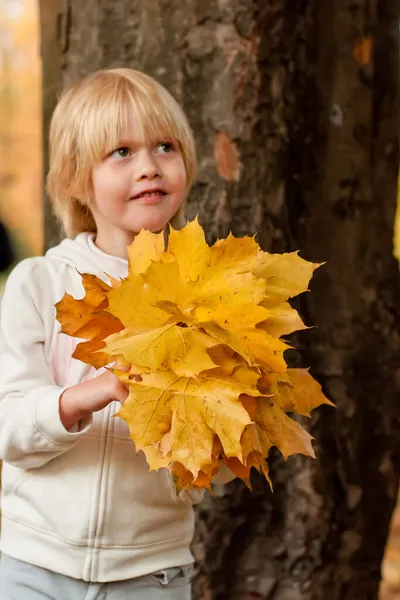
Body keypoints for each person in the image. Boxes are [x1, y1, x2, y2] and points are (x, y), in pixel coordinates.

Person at [0, 68, 232, 600]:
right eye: (120, 153)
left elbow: (221, 466)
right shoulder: (39, 285)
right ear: (77, 179)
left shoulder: (210, 296)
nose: (148, 167)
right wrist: (91, 393)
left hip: (151, 574)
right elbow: (9, 427)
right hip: (35, 567)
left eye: (164, 147)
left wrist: (201, 438)